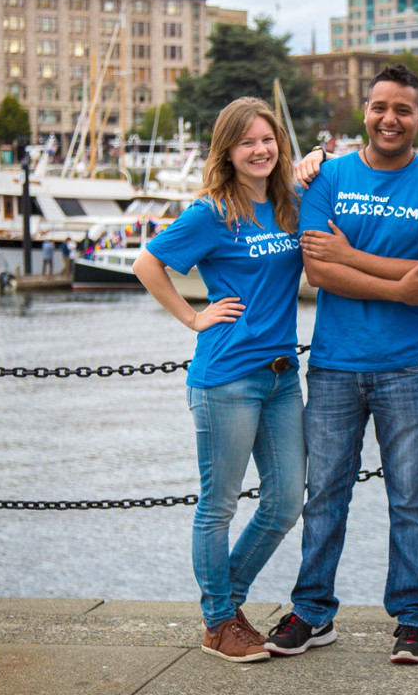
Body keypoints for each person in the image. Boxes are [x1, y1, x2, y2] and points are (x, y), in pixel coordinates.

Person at [263, 64, 418, 665]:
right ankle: (313, 611)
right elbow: (318, 271)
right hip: (332, 364)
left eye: (403, 110)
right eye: (380, 107)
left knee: (410, 496)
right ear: (366, 111)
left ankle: (412, 618)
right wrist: (395, 284)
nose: (390, 119)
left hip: (408, 365)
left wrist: (355, 256)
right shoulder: (327, 176)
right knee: (323, 493)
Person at [132, 97, 306, 665]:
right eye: (247, 141)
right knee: (219, 506)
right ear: (227, 151)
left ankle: (226, 608)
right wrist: (193, 316)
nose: (260, 150)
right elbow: (147, 263)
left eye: (268, 139)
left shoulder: (287, 205)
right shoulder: (213, 211)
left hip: (282, 377)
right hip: (227, 378)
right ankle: (218, 623)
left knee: (284, 502)